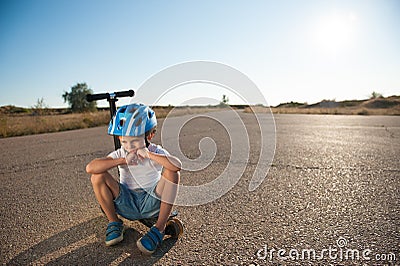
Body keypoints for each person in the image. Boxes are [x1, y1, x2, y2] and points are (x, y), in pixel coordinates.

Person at [86, 103, 181, 254]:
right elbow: (90, 168)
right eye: (124, 141)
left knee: (172, 173)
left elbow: (176, 165)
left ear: (149, 136)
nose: (129, 147)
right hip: (127, 202)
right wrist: (122, 161)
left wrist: (149, 155)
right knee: (98, 176)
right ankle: (114, 222)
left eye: (135, 141)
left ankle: (159, 228)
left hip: (151, 201)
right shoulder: (121, 153)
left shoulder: (155, 151)